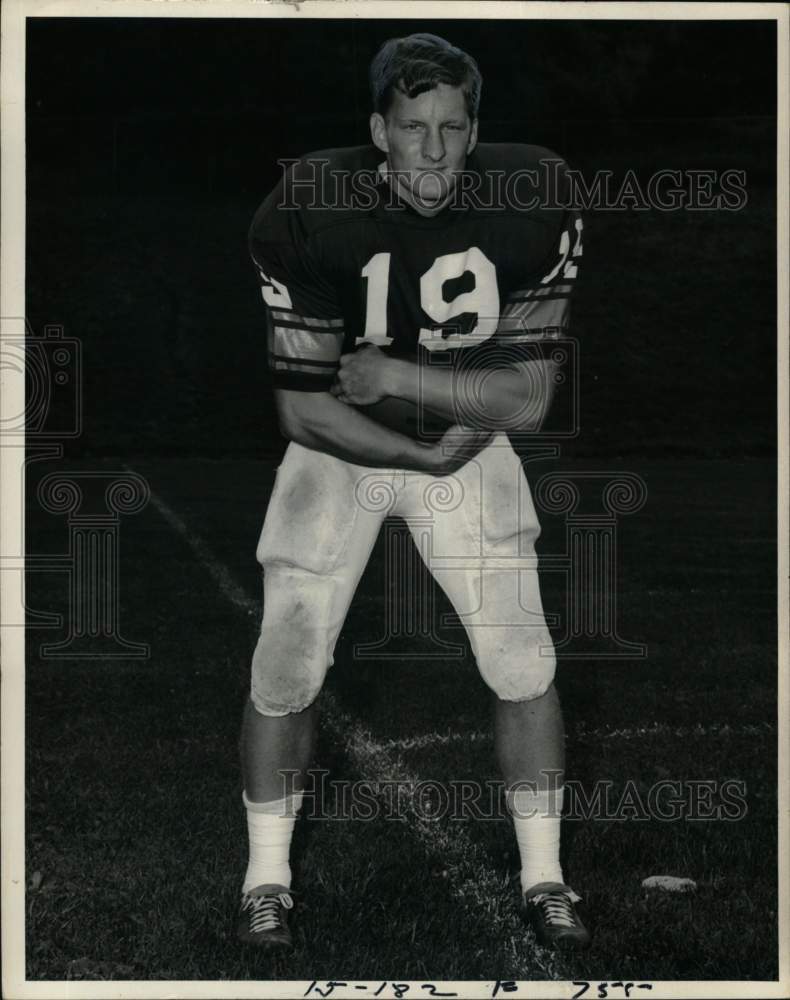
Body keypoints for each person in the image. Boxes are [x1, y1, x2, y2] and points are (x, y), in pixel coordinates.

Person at [238, 32, 589, 952]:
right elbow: (304, 411)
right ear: (377, 130)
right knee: (285, 668)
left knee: (524, 664)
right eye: (412, 127)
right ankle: (265, 878)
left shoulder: (533, 195)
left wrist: (400, 379)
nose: (431, 151)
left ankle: (546, 879)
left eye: (451, 128)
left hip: (464, 452)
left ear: (475, 134)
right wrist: (413, 440)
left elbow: (530, 396)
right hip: (344, 453)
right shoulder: (313, 201)